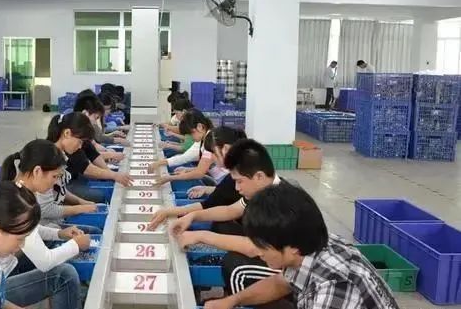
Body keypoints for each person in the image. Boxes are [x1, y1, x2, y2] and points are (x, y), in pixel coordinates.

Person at [203, 184, 399, 309]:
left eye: (262, 246)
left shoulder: (333, 289)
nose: (257, 251)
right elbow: (280, 283)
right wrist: (231, 301)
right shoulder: (310, 245)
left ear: (292, 248)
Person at [173, 139, 294, 297]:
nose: (237, 188)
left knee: (236, 267)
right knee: (222, 225)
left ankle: (242, 300)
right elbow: (230, 210)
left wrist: (202, 236)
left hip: (288, 268)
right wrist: (192, 215)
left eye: (239, 181)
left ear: (259, 176)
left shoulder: (279, 201)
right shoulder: (262, 191)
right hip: (268, 248)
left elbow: (255, 248)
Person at [147, 126, 246, 231]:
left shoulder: (240, 175)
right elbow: (229, 196)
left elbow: (216, 203)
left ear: (226, 149)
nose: (212, 157)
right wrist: (207, 189)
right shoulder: (236, 173)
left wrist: (171, 212)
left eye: (214, 153)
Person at [0, 139, 101, 233]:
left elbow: (33, 231)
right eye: (54, 176)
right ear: (37, 171)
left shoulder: (24, 191)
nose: (55, 182)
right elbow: (31, 239)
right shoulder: (18, 202)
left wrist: (60, 234)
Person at [47, 112, 132, 203]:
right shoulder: (50, 156)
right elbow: (51, 200)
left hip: (70, 185)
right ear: (67, 133)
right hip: (68, 188)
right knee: (103, 195)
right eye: (80, 142)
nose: (80, 147)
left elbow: (93, 154)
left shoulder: (65, 150)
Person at [150, 109, 216, 186]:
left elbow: (199, 173)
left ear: (200, 127)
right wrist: (188, 169)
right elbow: (189, 158)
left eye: (191, 133)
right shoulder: (203, 139)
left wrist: (169, 178)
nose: (191, 138)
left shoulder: (210, 142)